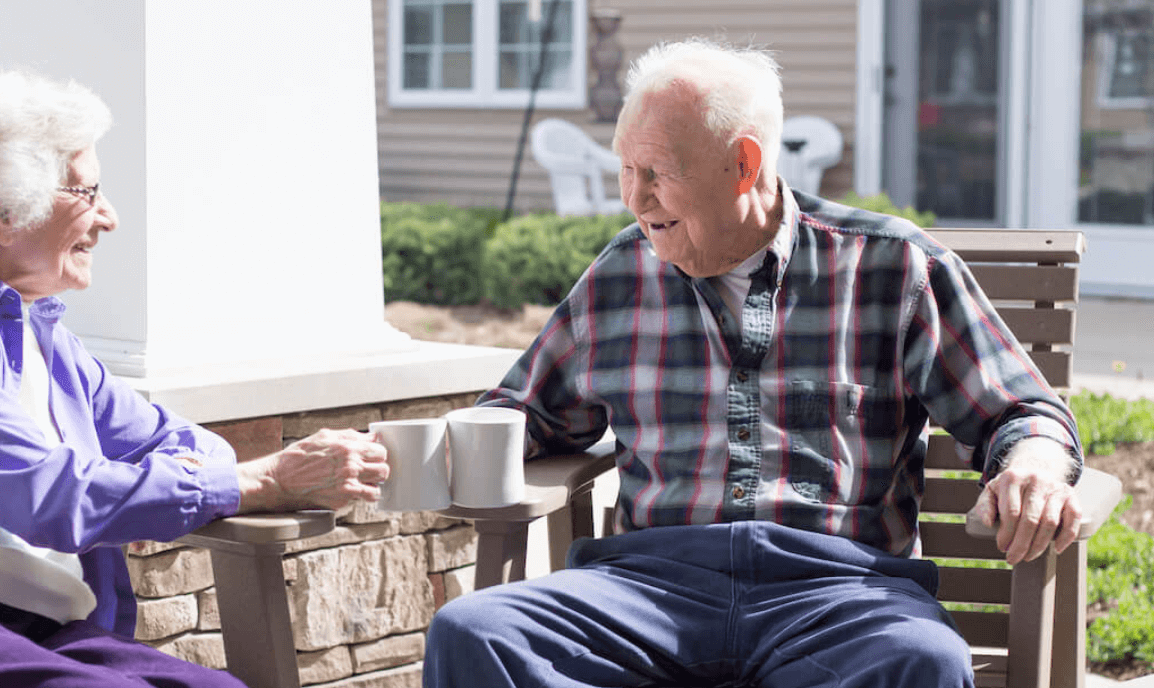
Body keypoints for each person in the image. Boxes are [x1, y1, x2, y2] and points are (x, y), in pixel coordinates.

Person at [423, 38, 1083, 688]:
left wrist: (1034, 466)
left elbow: (1020, 411)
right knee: (477, 634)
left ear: (743, 163)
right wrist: (400, 453)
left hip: (837, 597)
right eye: (626, 168)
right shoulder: (619, 275)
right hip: (646, 591)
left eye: (656, 171)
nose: (635, 198)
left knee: (919, 662)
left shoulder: (894, 268)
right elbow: (526, 412)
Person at [0, 67, 389, 688]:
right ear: (1, 216)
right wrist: (257, 483)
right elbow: (48, 498)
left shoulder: (41, 334)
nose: (109, 216)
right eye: (86, 192)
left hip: (30, 618)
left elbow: (189, 445)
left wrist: (203, 483)